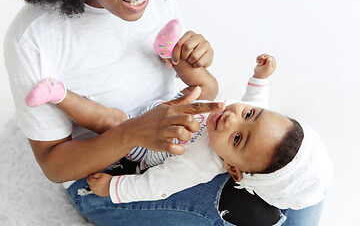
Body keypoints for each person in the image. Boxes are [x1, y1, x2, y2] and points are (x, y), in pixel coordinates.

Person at [4, 0, 326, 225]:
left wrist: (190, 61)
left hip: (172, 121)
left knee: (302, 183)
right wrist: (130, 137)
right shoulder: (33, 39)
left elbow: (218, 96)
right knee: (263, 215)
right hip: (104, 169)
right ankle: (59, 94)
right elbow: (54, 166)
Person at [26, 53, 332, 211]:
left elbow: (157, 186)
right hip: (173, 105)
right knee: (205, 86)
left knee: (111, 121)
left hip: (144, 142)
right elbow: (255, 101)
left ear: (234, 170)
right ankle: (171, 51)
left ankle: (59, 94)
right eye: (249, 116)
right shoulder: (238, 114)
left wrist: (113, 188)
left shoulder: (198, 165)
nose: (231, 119)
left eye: (237, 139)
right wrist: (260, 77)